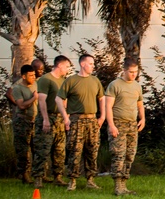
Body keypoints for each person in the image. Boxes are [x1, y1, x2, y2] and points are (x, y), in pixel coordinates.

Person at [56, 54, 105, 191]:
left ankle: (90, 179)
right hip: (77, 120)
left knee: (92, 150)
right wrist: (65, 117)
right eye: (90, 63)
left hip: (92, 120)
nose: (92, 66)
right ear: (82, 64)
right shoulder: (71, 81)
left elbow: (102, 99)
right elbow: (59, 99)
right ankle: (72, 180)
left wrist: (102, 116)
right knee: (74, 151)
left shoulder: (95, 81)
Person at [103, 57, 145, 196]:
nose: (134, 75)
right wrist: (111, 125)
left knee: (130, 155)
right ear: (124, 70)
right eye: (131, 72)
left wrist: (142, 118)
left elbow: (140, 104)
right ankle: (117, 185)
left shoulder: (137, 86)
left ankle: (124, 184)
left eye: (136, 72)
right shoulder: (115, 85)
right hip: (118, 123)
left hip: (132, 124)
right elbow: (108, 106)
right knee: (118, 154)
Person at [33, 55, 70, 189]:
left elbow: (65, 100)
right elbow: (41, 100)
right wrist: (45, 119)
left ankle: (58, 176)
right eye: (66, 67)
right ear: (59, 66)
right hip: (48, 117)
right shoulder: (45, 79)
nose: (67, 69)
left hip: (59, 118)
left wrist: (66, 117)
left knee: (59, 150)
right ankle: (38, 177)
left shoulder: (63, 81)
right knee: (43, 148)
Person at [7, 64, 39, 183]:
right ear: (24, 76)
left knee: (37, 148)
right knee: (23, 150)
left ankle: (39, 174)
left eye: (34, 75)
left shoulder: (36, 84)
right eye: (30, 75)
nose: (33, 77)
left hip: (35, 120)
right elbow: (20, 105)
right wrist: (33, 98)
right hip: (22, 121)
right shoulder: (18, 88)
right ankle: (24, 175)